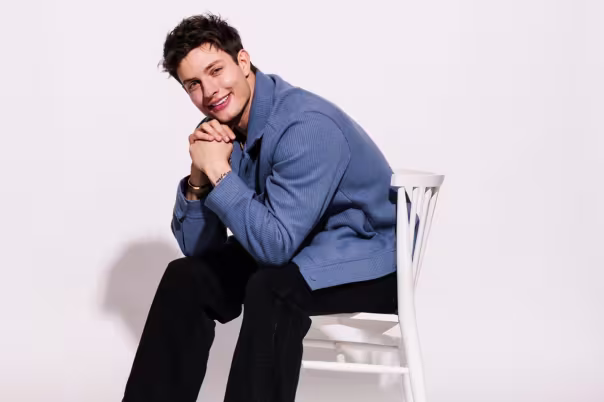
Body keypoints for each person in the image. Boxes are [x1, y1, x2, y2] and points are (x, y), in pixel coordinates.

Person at [122, 12, 400, 402]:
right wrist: (199, 177)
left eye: (216, 70)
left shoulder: (306, 126)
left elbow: (275, 249)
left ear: (243, 61)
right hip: (295, 246)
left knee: (271, 288)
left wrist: (219, 171)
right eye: (194, 84)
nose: (210, 91)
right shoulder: (221, 131)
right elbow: (200, 250)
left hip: (368, 261)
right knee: (187, 277)